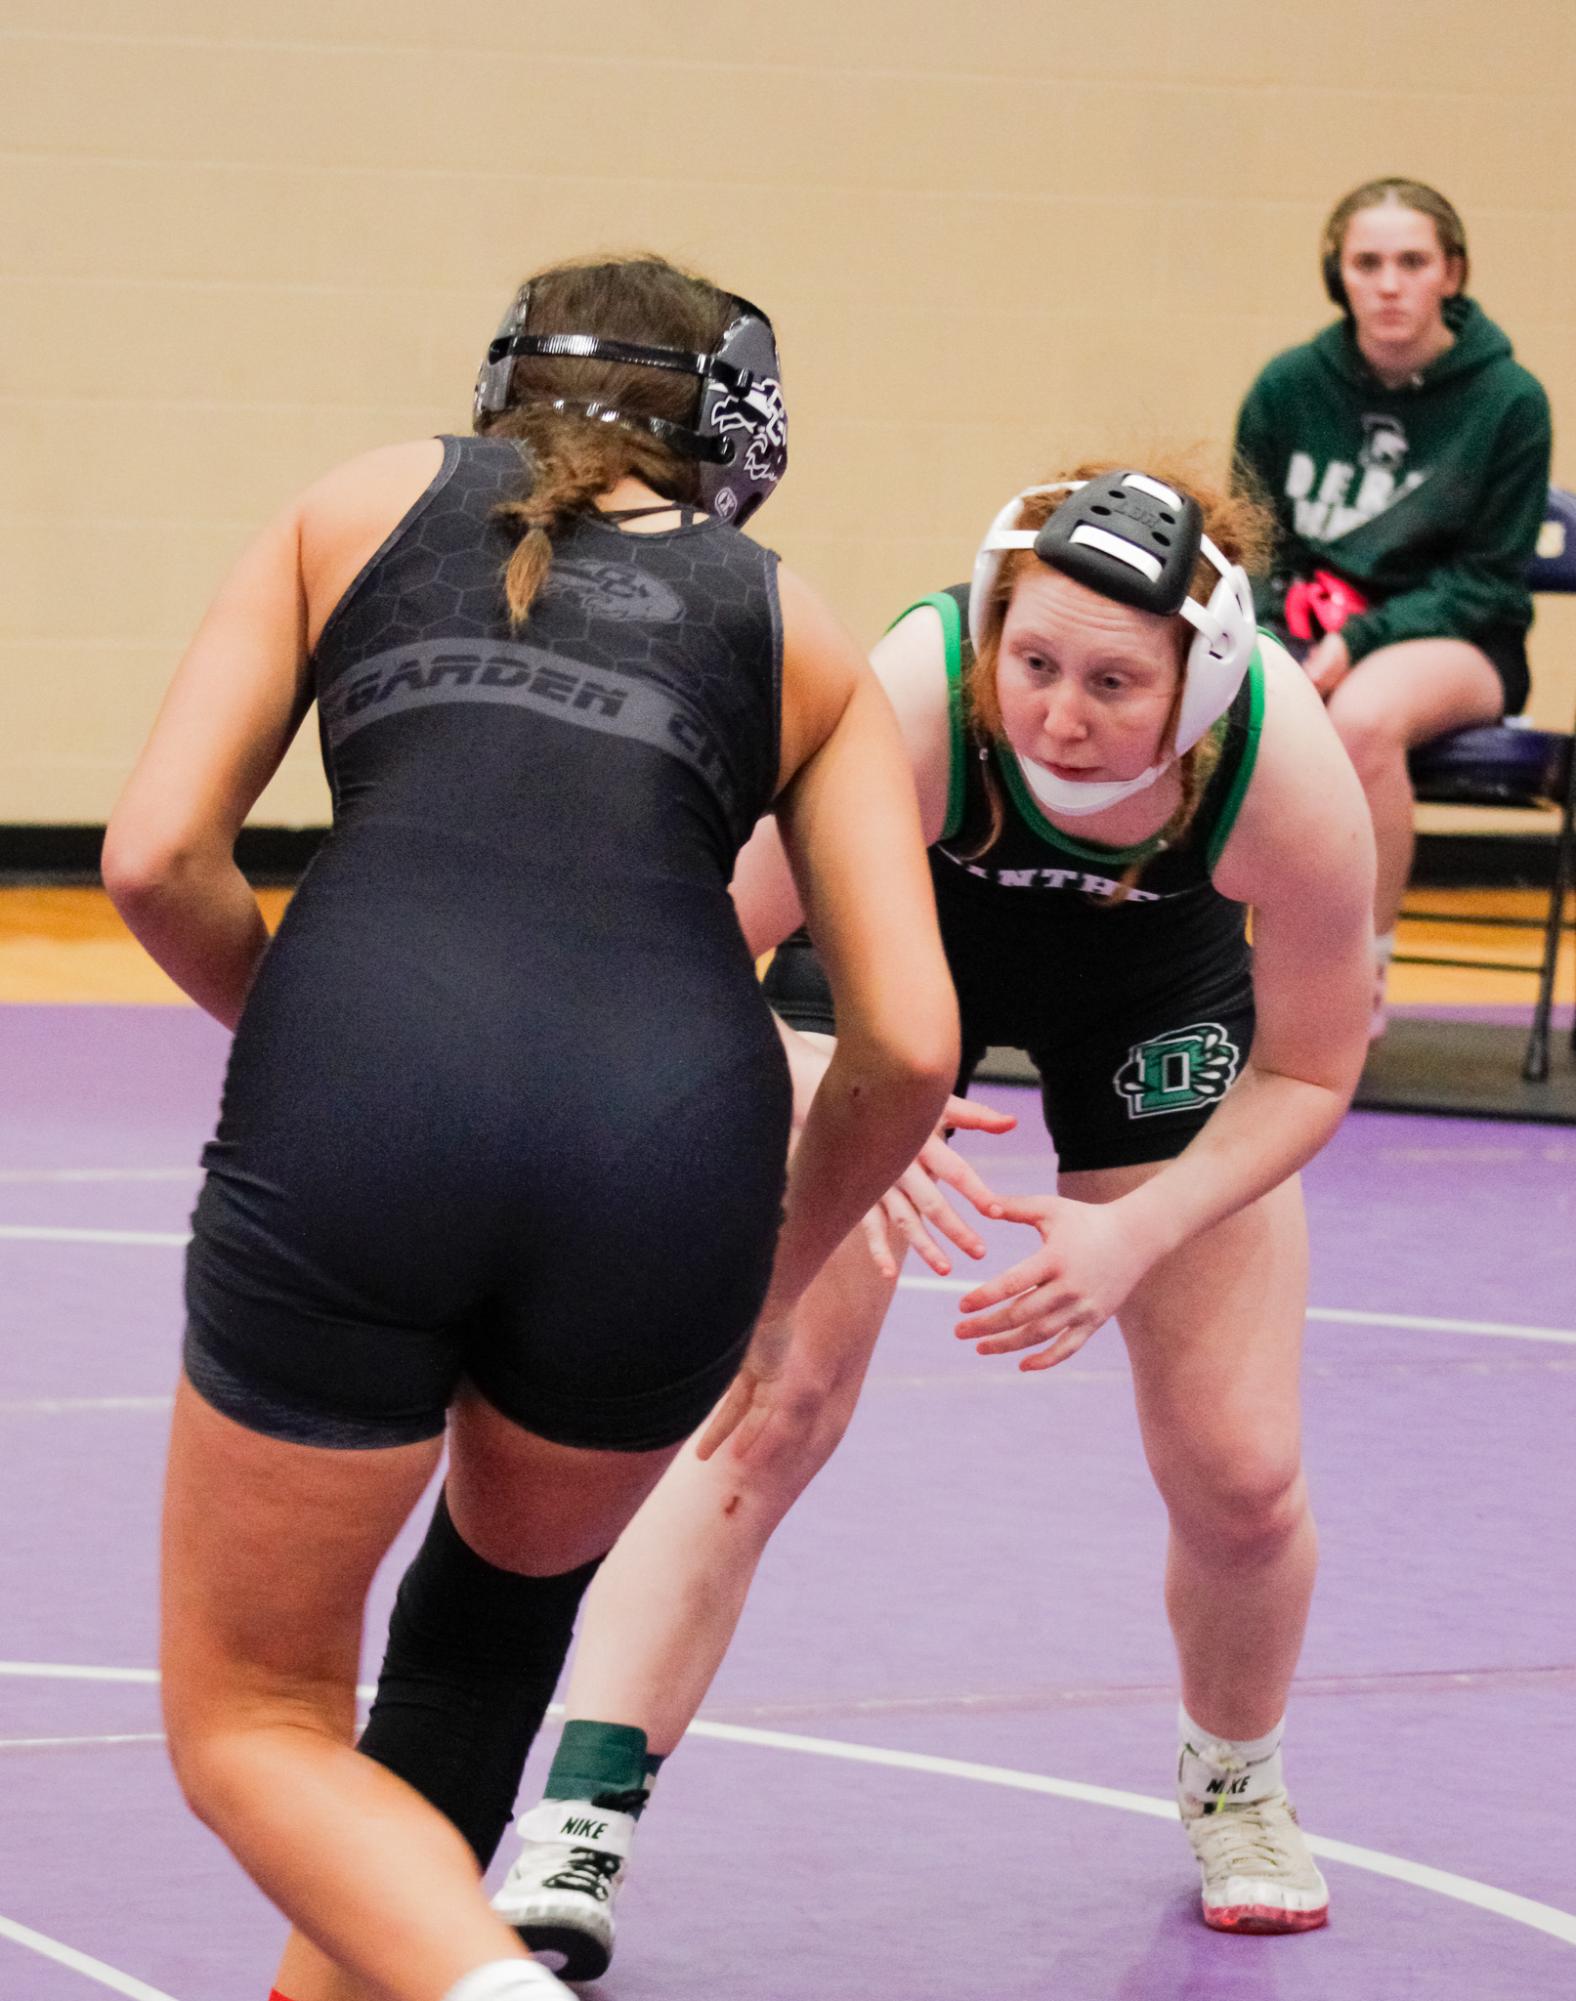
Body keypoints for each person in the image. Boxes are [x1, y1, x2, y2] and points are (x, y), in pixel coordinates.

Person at [319, 465, 1376, 1987]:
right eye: (1035, 663)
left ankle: (1239, 1777)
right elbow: (696, 943)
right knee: (763, 1402)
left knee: (1243, 1470)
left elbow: (1313, 1066)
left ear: (1202, 684)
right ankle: (583, 1813)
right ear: (990, 633)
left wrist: (1132, 1238)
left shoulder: (1283, 765)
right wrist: (830, 1072)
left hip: (1156, 986)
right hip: (889, 946)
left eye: (1113, 682)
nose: (1060, 716)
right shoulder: (918, 698)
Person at [101, 253, 959, 2001]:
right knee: (480, 1651)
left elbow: (152, 860)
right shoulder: (793, 623)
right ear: (736, 443)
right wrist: (774, 1280)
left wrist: (320, 1048)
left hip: (370, 1074)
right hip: (672, 1150)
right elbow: (913, 1045)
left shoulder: (362, 501)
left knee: (255, 1721)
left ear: (508, 382)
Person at [1233, 176, 1553, 1032]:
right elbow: (1256, 543)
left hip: (1460, 640)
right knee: (1223, 699)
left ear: (1452, 272)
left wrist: (1364, 636)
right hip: (1312, 626)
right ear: (1337, 275)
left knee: (1363, 718)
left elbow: (1487, 578)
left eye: (1412, 261)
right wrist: (1276, 629)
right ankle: (1217, 963)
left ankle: (1357, 975)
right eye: (1366, 262)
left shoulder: (1509, 401)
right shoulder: (1288, 387)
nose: (1388, 282)